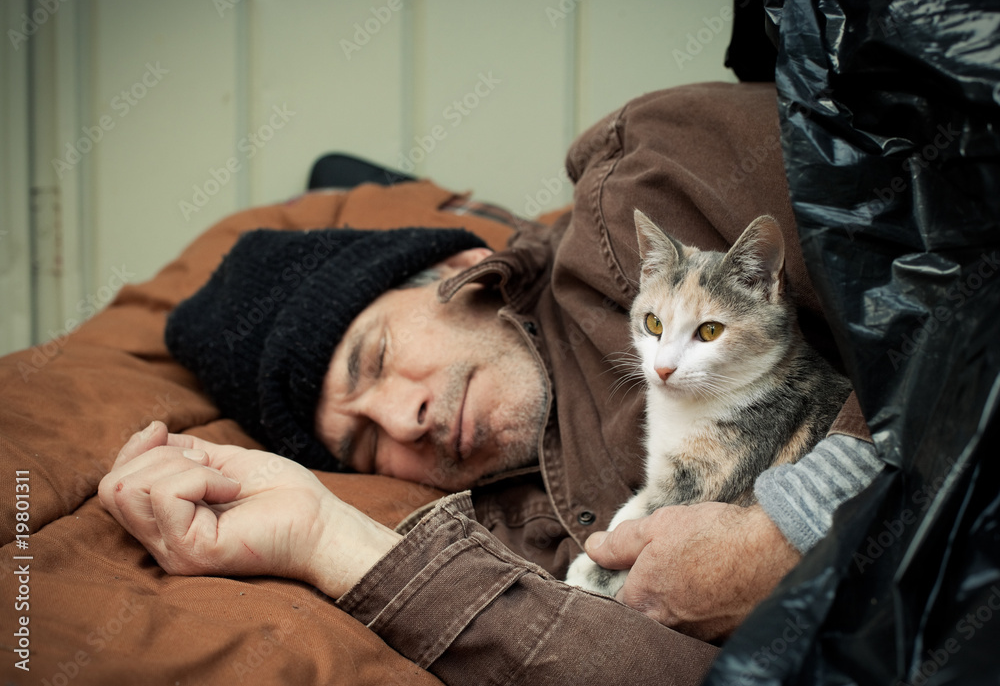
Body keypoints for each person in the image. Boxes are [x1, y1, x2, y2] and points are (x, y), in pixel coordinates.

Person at [99, 82, 882, 685]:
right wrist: (322, 535)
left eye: (373, 360)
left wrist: (792, 537)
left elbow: (949, 300)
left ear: (459, 274)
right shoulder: (491, 546)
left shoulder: (649, 174)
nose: (402, 419)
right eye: (363, 443)